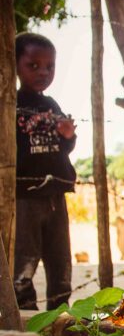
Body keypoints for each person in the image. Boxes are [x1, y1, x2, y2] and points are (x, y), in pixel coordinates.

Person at [14, 33, 77, 310]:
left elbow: (64, 148)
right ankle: (25, 313)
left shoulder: (51, 105)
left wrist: (67, 136)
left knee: (60, 258)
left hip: (55, 194)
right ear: (15, 64)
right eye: (34, 65)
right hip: (25, 196)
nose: (43, 72)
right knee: (24, 259)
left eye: (49, 66)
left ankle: (59, 311)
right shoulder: (10, 104)